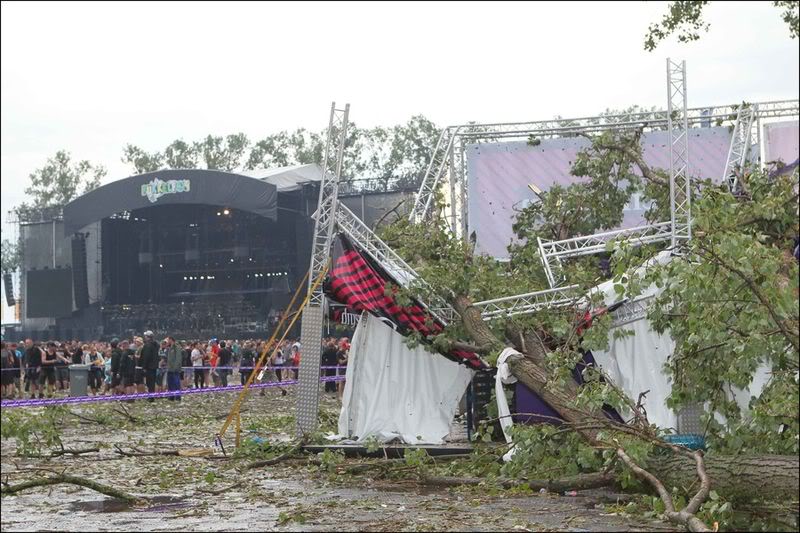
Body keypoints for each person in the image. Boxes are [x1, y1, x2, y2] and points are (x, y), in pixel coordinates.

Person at [140, 331, 160, 402]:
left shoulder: (148, 345)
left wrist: (144, 367)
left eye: (145, 336)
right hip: (154, 366)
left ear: (148, 337)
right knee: (152, 382)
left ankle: (151, 397)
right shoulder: (156, 344)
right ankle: (152, 396)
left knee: (149, 382)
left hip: (149, 366)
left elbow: (146, 357)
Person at [165, 336, 182, 401]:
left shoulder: (176, 347)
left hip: (175, 369)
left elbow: (178, 358)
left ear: (171, 340)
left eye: (168, 340)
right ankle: (171, 396)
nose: (167, 341)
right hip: (169, 368)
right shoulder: (169, 348)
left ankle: (177, 397)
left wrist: (175, 367)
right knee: (170, 383)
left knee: (176, 383)